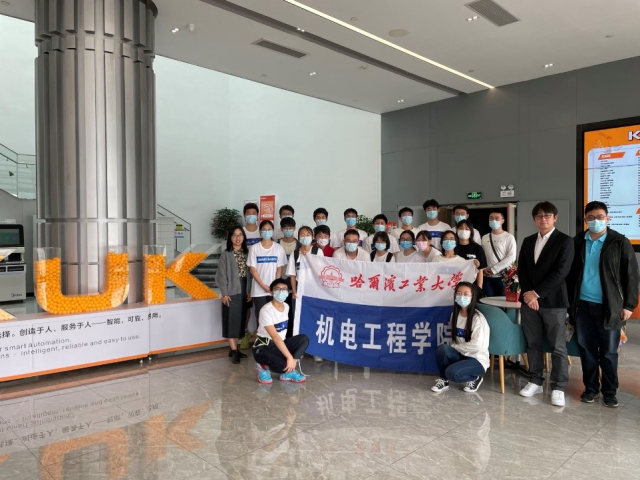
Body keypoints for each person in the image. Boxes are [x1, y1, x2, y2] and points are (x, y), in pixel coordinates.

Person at [567, 201, 639, 408]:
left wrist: (629, 305)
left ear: (607, 218)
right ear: (585, 220)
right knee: (587, 351)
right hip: (582, 306)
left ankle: (609, 391)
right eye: (590, 218)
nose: (595, 221)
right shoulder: (578, 241)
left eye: (599, 217)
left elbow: (631, 276)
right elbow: (570, 275)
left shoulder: (619, 242)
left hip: (609, 307)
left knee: (608, 352)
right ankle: (590, 388)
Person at [517, 202, 574, 407]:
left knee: (558, 346)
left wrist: (536, 294)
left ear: (555, 218)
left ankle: (559, 386)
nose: (543, 219)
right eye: (539, 216)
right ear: (534, 219)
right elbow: (522, 269)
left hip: (554, 302)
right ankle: (535, 380)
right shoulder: (528, 241)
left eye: (547, 215)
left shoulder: (565, 241)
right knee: (533, 343)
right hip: (529, 302)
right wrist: (528, 294)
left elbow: (561, 272)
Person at [431, 282, 489, 393]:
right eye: (459, 293)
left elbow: (477, 346)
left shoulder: (478, 319)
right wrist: (456, 348)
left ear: (472, 297)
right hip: (462, 355)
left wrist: (456, 347)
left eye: (466, 294)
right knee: (442, 349)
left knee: (451, 373)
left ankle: (475, 378)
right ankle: (444, 380)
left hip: (477, 359)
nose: (462, 297)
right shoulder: (455, 315)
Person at [253, 278, 309, 384]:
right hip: (263, 347)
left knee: (303, 339)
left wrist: (292, 360)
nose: (281, 292)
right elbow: (275, 337)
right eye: (277, 289)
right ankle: (262, 367)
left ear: (287, 292)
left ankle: (288, 371)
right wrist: (289, 357)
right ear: (271, 292)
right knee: (283, 364)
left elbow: (280, 338)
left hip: (278, 345)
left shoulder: (286, 306)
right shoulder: (266, 310)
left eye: (284, 289)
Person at [288, 226, 325, 363]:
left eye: (308, 234)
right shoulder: (295, 254)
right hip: (299, 291)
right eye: (302, 235)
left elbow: (321, 271)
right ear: (298, 237)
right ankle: (300, 349)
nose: (305, 237)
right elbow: (292, 275)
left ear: (312, 236)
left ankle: (315, 350)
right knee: (299, 320)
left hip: (314, 291)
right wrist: (294, 291)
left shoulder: (318, 252)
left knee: (314, 320)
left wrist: (309, 258)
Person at [216, 227, 252, 364]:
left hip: (244, 289)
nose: (238, 238)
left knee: (239, 321)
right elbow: (221, 276)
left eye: (240, 235)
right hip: (231, 291)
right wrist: (224, 293)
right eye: (235, 235)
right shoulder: (226, 254)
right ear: (230, 238)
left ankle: (234, 349)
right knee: (231, 321)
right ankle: (234, 351)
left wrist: (250, 291)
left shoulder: (247, 253)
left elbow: (251, 274)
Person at [247, 220, 288, 320]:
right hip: (258, 289)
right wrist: (263, 285)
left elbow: (279, 268)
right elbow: (252, 269)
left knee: (274, 315)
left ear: (273, 231)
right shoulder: (254, 248)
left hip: (274, 290)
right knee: (261, 315)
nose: (267, 232)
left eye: (269, 229)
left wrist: (275, 286)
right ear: (260, 231)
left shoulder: (279, 248)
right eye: (264, 229)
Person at [481, 211, 517, 297]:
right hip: (488, 278)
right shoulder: (485, 237)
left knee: (504, 301)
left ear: (503, 221)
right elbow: (482, 255)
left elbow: (511, 257)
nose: (494, 220)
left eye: (497, 218)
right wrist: (484, 269)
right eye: (491, 218)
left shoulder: (509, 237)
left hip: (504, 277)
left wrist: (494, 269)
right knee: (489, 301)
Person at [455, 219, 486, 289]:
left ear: (471, 231)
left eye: (467, 229)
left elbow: (480, 270)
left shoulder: (477, 248)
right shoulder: (453, 248)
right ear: (456, 230)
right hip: (455, 284)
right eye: (461, 228)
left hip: (472, 285)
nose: (463, 231)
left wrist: (479, 288)